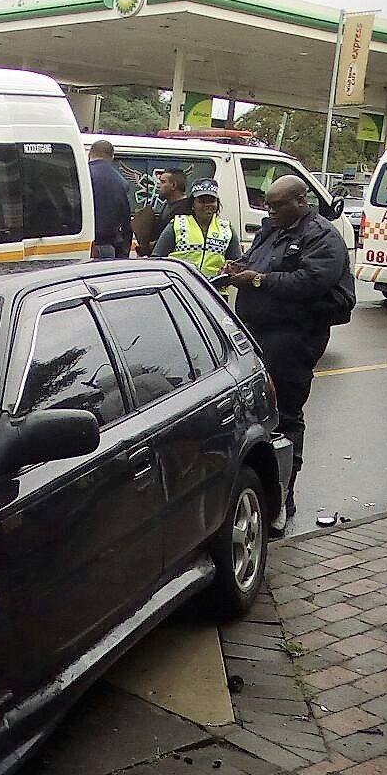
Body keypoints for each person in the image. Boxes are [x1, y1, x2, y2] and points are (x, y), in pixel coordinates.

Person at [223, 175, 355, 536]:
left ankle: (283, 496)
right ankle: (263, 486)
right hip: (256, 333)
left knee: (284, 415)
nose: (270, 210)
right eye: (267, 204)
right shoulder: (272, 229)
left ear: (300, 200)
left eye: (277, 204)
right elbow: (254, 261)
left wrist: (258, 280)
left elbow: (311, 282)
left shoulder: (323, 237)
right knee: (255, 413)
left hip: (294, 336)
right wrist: (237, 268)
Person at [152, 178, 240, 290]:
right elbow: (157, 258)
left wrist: (230, 269)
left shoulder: (226, 228)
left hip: (215, 293)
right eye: (202, 201)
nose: (207, 205)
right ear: (192, 204)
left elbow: (237, 264)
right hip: (182, 291)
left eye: (212, 201)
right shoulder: (177, 225)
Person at [87, 140, 133, 259]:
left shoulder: (84, 175)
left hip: (84, 244)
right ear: (112, 157)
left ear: (89, 155)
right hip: (109, 247)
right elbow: (125, 222)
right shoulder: (121, 182)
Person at [136, 168, 191, 256]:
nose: (158, 185)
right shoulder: (167, 205)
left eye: (162, 182)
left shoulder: (186, 209)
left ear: (173, 185)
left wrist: (156, 244)